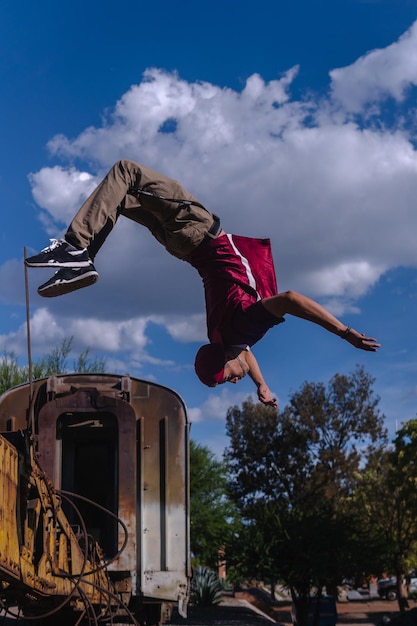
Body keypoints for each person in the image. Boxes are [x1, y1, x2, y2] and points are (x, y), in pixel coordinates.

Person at [25, 159, 380, 406]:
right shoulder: (222, 335)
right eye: (230, 379)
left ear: (225, 358)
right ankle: (80, 257)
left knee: (126, 171)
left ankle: (77, 252)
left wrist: (343, 333)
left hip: (196, 233)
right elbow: (250, 346)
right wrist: (263, 385)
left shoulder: (239, 330)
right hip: (184, 244)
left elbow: (288, 300)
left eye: (227, 378)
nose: (234, 380)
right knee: (123, 194)